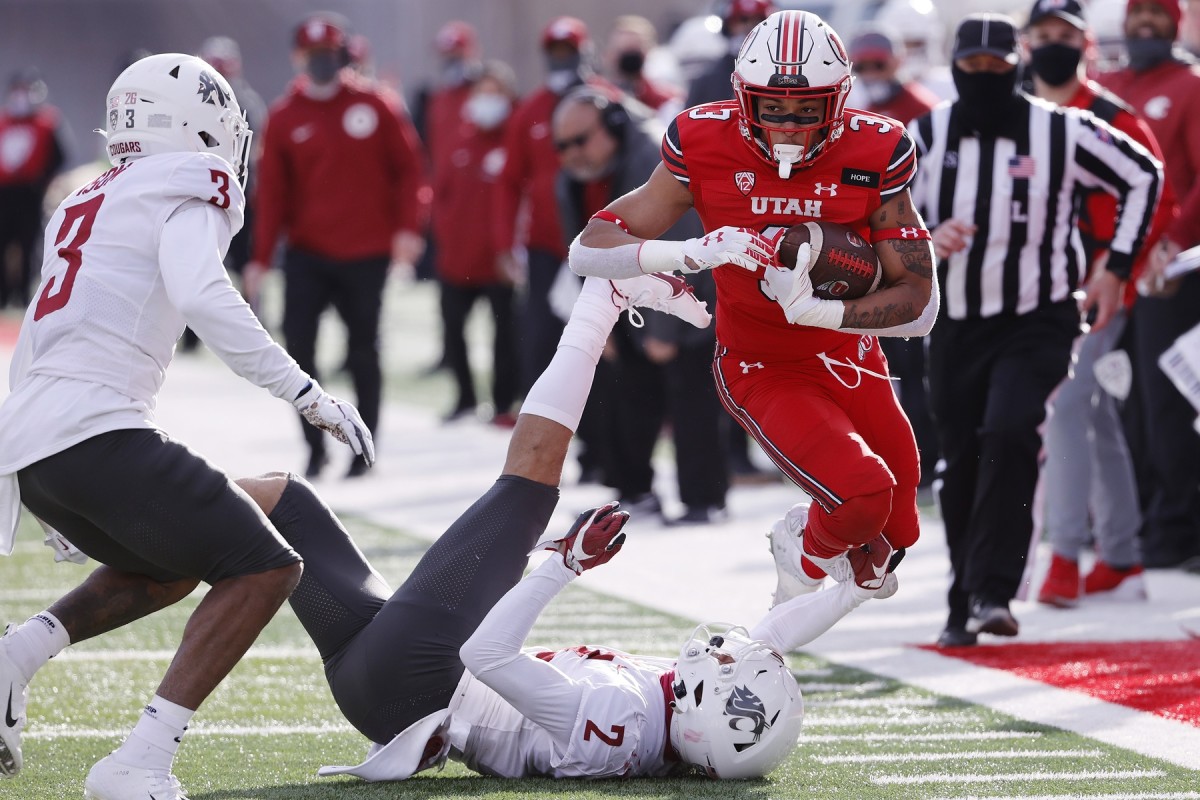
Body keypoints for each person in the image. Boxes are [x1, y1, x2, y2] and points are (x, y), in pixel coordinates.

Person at [0, 54, 373, 798]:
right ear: (199, 124)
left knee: (171, 562)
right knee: (268, 566)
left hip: (39, 443)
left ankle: (16, 656)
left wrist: (31, 475)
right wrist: (305, 393)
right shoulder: (191, 182)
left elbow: (36, 341)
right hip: (93, 432)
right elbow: (205, 296)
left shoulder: (88, 197)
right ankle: (140, 759)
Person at [569, 10, 939, 606]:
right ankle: (799, 557)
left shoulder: (877, 148)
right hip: (759, 362)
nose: (790, 124)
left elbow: (919, 306)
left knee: (898, 528)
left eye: (807, 108)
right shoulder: (703, 140)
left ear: (839, 102)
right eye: (773, 108)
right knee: (865, 495)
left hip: (850, 356)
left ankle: (808, 561)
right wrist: (690, 251)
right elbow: (590, 244)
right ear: (743, 99)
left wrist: (819, 312)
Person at [907, 14, 1162, 645]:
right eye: (975, 69)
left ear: (1016, 65)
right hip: (957, 319)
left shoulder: (1060, 129)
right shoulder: (925, 133)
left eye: (999, 68)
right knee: (961, 458)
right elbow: (876, 211)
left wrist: (1115, 270)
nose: (988, 79)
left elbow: (1142, 174)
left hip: (1039, 314)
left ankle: (995, 590)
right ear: (957, 67)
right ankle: (962, 594)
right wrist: (924, 239)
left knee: (1011, 429)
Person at [1021, 0, 1172, 606]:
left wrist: (1117, 269)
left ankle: (1064, 555)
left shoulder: (1115, 117)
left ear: (1086, 44)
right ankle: (1122, 555)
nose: (1054, 44)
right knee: (1092, 414)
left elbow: (1153, 192)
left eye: (1066, 34)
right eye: (1044, 34)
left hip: (1101, 285)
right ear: (1027, 43)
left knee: (1065, 406)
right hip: (1033, 286)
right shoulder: (1014, 113)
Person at [245, 12, 428, 480]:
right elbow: (273, 198)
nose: (322, 63)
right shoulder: (285, 116)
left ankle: (365, 449)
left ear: (342, 54)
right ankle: (315, 446)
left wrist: (408, 228)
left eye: (329, 54)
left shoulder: (376, 104)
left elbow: (409, 170)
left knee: (364, 349)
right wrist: (260, 261)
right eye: (313, 55)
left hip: (366, 252)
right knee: (299, 349)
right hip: (309, 253)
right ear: (297, 58)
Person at [552, 87, 729, 523]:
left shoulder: (654, 155)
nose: (572, 153)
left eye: (580, 140)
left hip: (690, 299)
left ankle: (703, 501)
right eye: (562, 145)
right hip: (627, 295)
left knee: (693, 398)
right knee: (626, 394)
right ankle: (633, 491)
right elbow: (585, 247)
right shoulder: (576, 176)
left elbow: (681, 243)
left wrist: (664, 329)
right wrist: (601, 319)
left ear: (611, 126)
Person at [1098, 0, 1200, 570]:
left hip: (1168, 276)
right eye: (1138, 13)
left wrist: (1174, 240)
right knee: (1114, 403)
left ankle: (1177, 529)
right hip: (1110, 271)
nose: (1145, 24)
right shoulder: (1110, 86)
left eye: (1157, 14)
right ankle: (1127, 523)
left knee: (1167, 404)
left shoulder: (1190, 87)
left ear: (1176, 22)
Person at [493, 16, 617, 395]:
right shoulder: (531, 110)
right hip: (547, 244)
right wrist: (503, 243)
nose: (562, 60)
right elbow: (509, 181)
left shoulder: (606, 102)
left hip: (602, 244)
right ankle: (540, 424)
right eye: (556, 52)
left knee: (603, 338)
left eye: (569, 52)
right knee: (541, 338)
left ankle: (600, 441)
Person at [844, 26, 941, 494]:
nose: (870, 75)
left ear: (895, 62)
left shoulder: (921, 110)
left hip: (907, 243)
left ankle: (924, 459)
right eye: (860, 67)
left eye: (877, 64)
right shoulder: (850, 111)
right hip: (862, 251)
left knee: (912, 362)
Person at [433, 62, 520, 425]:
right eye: (481, 93)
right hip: (457, 259)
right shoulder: (461, 141)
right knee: (453, 329)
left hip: (500, 263)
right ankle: (465, 397)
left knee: (505, 335)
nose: (487, 101)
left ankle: (503, 403)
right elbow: (442, 194)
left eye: (494, 93)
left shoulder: (516, 140)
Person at [0, 69, 68, 308]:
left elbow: (59, 157)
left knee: (28, 245)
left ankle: (22, 297)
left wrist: (41, 182)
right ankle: (3, 296)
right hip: (4, 193)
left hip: (29, 194)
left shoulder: (46, 123)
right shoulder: (4, 122)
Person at [685, 0, 773, 107]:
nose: (750, 28)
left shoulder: (785, 73)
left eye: (759, 21)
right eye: (743, 20)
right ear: (729, 26)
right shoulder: (707, 81)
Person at [603, 15, 683, 116]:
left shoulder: (667, 101)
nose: (630, 57)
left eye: (635, 50)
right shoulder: (598, 99)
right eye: (623, 50)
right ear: (608, 55)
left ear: (648, 52)